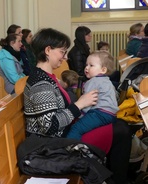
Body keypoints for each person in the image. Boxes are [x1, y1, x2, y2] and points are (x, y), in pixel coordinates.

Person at [25, 28, 131, 184]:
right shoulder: (40, 83)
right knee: (122, 131)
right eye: (62, 51)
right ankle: (116, 179)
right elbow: (49, 126)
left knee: (121, 126)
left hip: (65, 131)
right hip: (53, 143)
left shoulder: (47, 77)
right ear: (48, 50)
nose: (66, 56)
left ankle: (116, 177)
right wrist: (79, 105)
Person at [66, 51, 119, 140]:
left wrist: (79, 115)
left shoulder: (93, 81)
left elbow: (88, 102)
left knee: (76, 128)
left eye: (91, 65)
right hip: (112, 114)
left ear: (103, 70)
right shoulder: (108, 81)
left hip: (99, 113)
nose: (86, 68)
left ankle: (70, 149)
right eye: (86, 65)